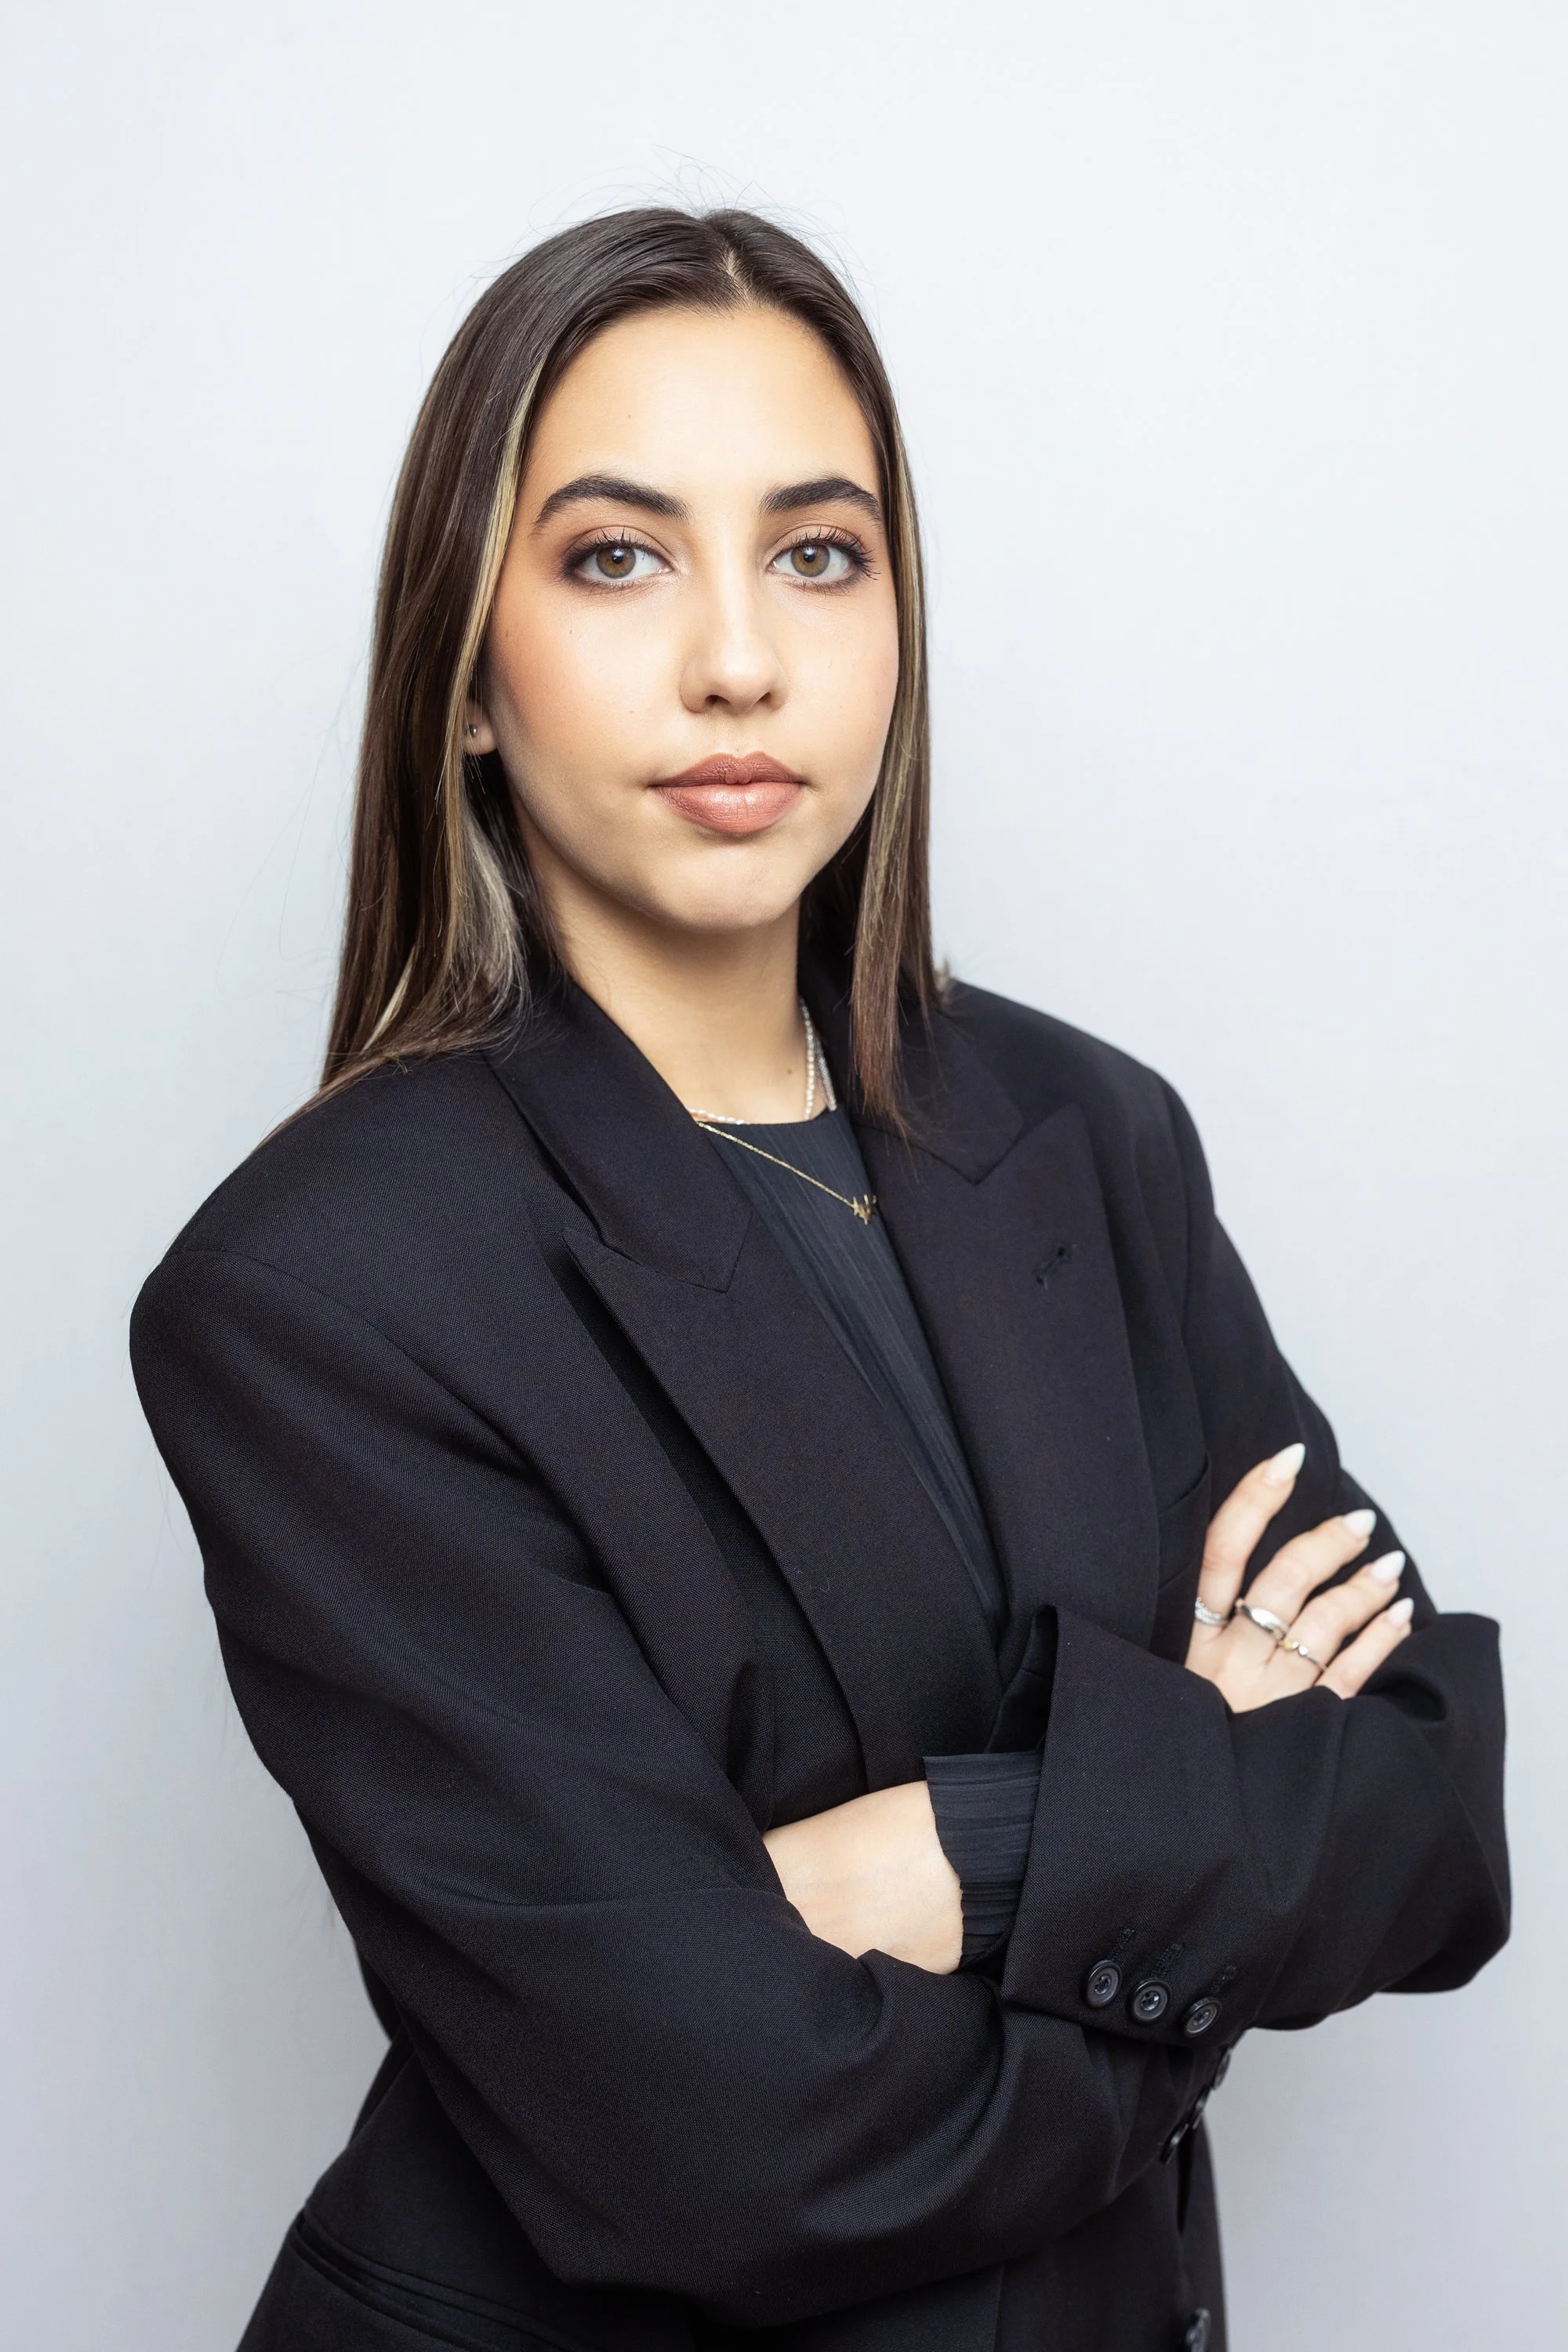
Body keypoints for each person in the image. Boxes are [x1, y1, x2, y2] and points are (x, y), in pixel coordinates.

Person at [130, 209, 1508, 2352]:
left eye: (817, 552)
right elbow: (717, 2134)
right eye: (614, 556)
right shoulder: (322, 1294)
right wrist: (1197, 1803)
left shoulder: (1089, 1133)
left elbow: (1434, 1810)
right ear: (464, 674)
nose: (738, 661)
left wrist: (948, 1847)